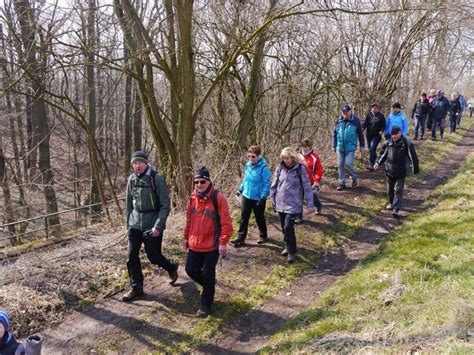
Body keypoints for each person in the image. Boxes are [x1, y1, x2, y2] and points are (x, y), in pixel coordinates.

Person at [122, 150, 179, 302]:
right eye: (134, 163)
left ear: (146, 163)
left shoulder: (156, 178)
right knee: (131, 256)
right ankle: (137, 288)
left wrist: (158, 227)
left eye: (140, 162)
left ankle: (171, 267)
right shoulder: (131, 180)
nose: (137, 165)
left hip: (152, 223)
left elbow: (165, 206)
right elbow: (128, 204)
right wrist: (128, 224)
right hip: (135, 222)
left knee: (153, 256)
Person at [183, 167, 233, 317]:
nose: (199, 184)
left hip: (212, 246)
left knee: (208, 273)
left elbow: (227, 224)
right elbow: (189, 220)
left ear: (209, 181)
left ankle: (206, 305)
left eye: (202, 181)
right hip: (195, 244)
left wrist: (223, 243)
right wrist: (186, 237)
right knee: (190, 270)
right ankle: (209, 286)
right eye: (196, 182)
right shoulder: (192, 198)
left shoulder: (218, 198)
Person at [270, 147, 314, 263]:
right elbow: (274, 184)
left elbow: (307, 187)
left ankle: (292, 252)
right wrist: (272, 198)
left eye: (288, 158)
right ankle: (287, 245)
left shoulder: (300, 169)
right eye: (284, 158)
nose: (286, 160)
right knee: (284, 227)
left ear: (293, 157)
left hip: (293, 204)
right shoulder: (280, 168)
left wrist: (310, 204)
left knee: (288, 227)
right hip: (280, 203)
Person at [374, 126, 419, 217]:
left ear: (400, 133)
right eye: (392, 135)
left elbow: (413, 157)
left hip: (401, 171)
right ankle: (391, 203)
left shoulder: (407, 144)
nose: (393, 136)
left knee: (398, 190)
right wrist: (377, 163)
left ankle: (396, 209)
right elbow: (383, 155)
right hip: (389, 170)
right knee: (390, 189)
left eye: (395, 134)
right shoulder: (388, 143)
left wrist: (415, 169)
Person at [232, 145, 271, 247]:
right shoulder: (248, 165)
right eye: (249, 156)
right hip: (246, 195)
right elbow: (245, 179)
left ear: (258, 156)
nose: (250, 158)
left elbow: (267, 183)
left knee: (259, 217)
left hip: (258, 197)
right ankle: (241, 238)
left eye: (253, 156)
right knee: (244, 217)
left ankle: (263, 236)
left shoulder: (264, 168)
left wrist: (263, 196)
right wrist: (240, 189)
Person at [332, 104, 365, 191]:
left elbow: (360, 134)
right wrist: (333, 145)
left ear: (350, 112)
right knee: (340, 165)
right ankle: (341, 183)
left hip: (351, 147)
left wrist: (362, 146)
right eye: (343, 112)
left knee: (348, 163)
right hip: (340, 147)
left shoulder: (356, 120)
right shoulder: (338, 120)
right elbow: (334, 134)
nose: (345, 114)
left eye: (346, 112)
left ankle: (354, 177)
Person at [296, 138, 324, 222]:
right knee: (298, 198)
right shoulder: (297, 156)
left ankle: (318, 206)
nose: (304, 148)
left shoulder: (314, 157)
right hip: (299, 181)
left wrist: (316, 181)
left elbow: (319, 170)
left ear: (310, 146)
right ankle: (299, 217)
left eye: (306, 146)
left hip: (309, 182)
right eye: (303, 146)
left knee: (312, 197)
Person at [363, 102, 386, 170]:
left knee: (372, 147)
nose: (374, 109)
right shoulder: (369, 115)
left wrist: (382, 131)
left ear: (378, 109)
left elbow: (384, 125)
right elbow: (365, 123)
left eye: (375, 108)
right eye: (373, 107)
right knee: (370, 149)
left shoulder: (381, 116)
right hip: (369, 134)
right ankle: (377, 161)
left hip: (376, 135)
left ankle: (371, 163)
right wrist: (362, 128)